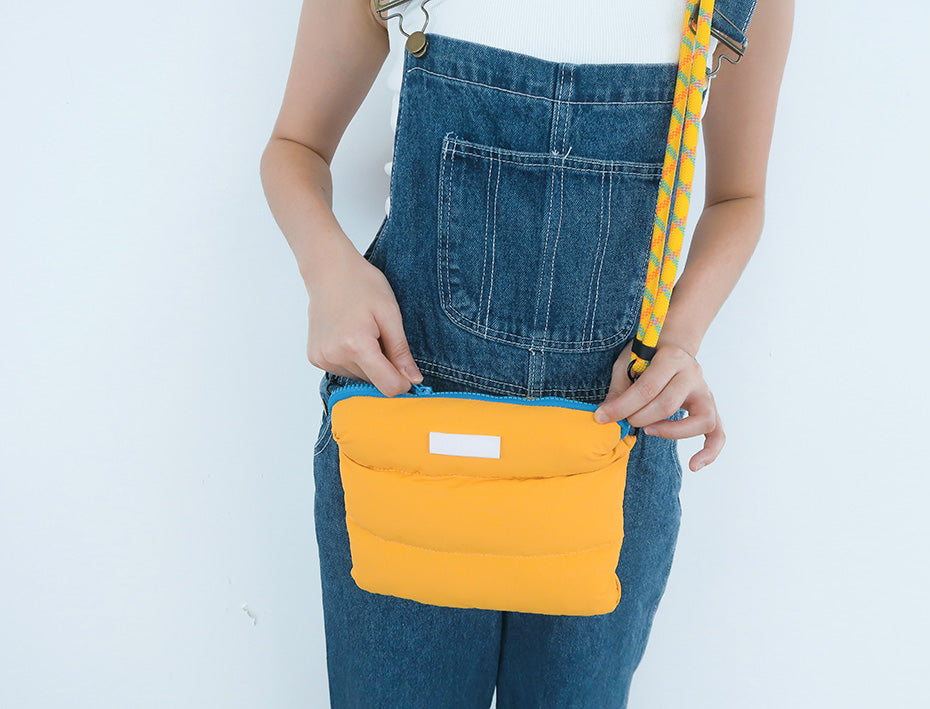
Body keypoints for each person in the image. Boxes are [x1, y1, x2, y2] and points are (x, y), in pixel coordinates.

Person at [260, 0, 792, 705]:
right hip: (404, 445)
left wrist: (680, 340)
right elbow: (293, 147)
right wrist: (326, 271)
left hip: (606, 458)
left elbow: (738, 196)